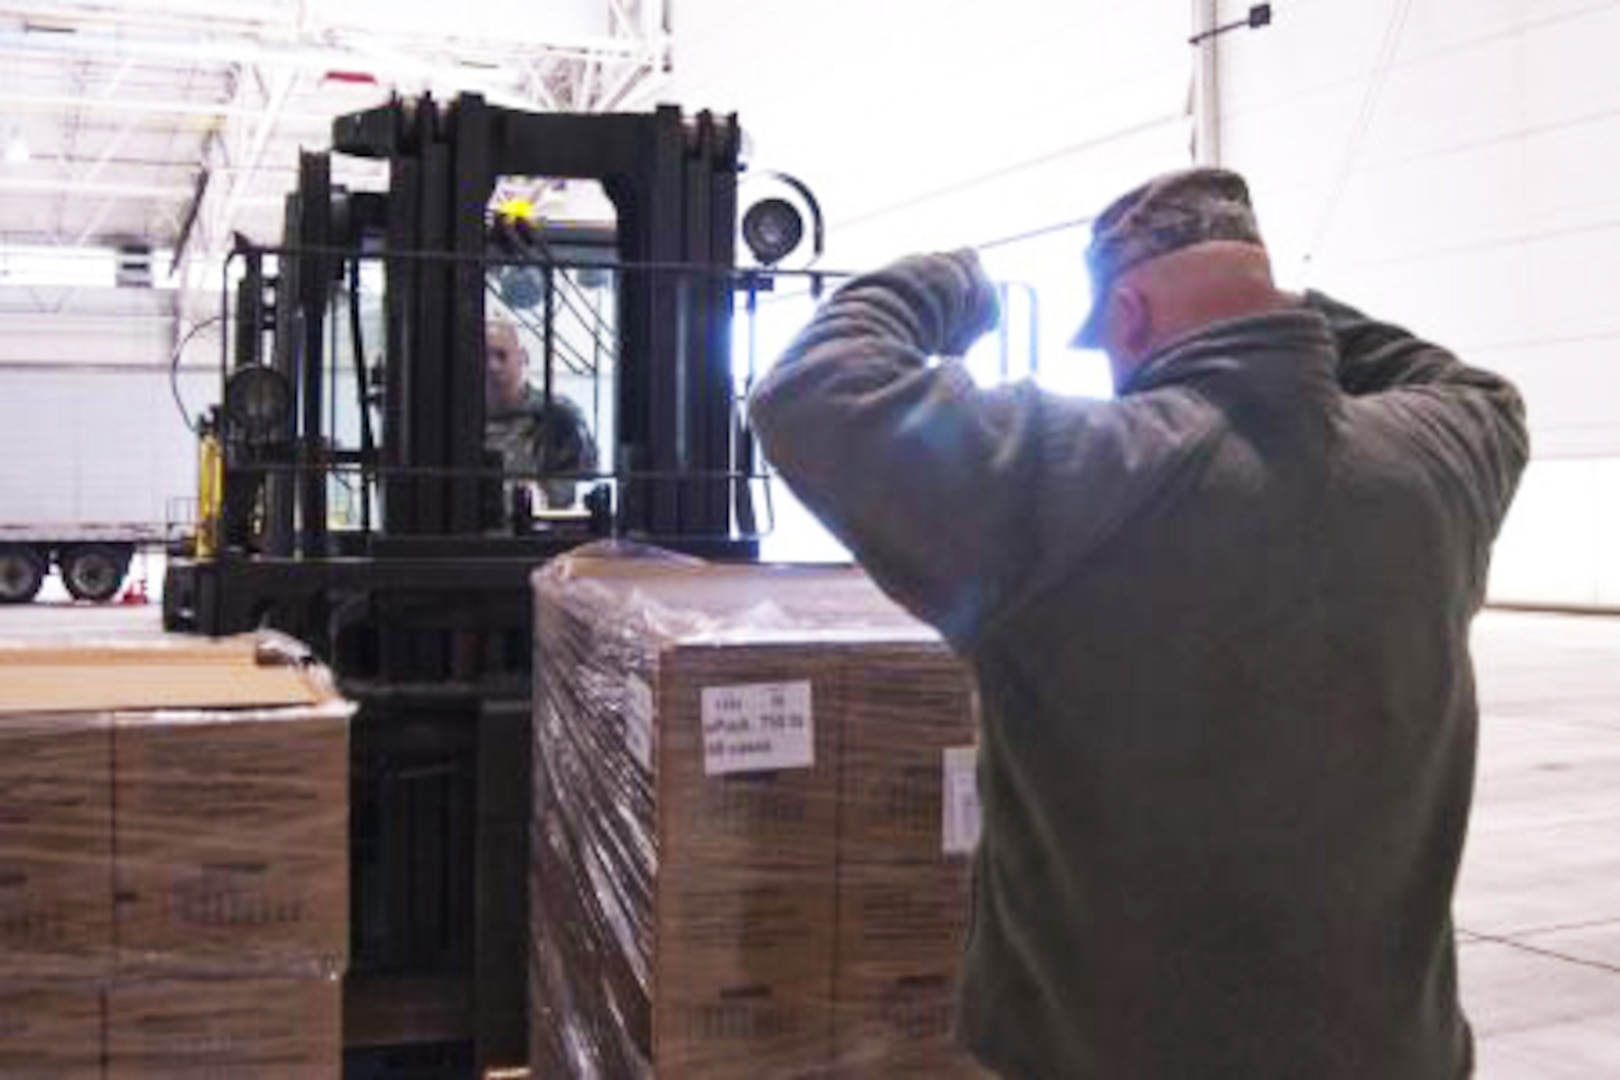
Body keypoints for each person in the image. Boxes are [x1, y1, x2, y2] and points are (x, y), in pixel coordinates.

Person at [748, 168, 1527, 1079]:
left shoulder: (1075, 475)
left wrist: (946, 282)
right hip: (1394, 1055)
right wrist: (1289, 307)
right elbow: (1465, 383)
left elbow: (811, 393)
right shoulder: (1441, 461)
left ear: (1126, 317)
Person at [485, 318, 598, 511]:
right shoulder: (456, 417)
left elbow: (585, 481)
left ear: (522, 357)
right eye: (484, 356)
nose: (492, 366)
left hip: (541, 533)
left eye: (501, 355)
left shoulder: (559, 415)